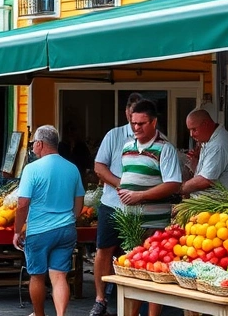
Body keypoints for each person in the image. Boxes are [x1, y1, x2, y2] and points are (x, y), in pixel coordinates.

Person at [118, 99, 183, 316]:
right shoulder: (127, 147)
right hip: (130, 223)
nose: (136, 128)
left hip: (154, 224)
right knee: (133, 274)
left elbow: (173, 184)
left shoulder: (165, 149)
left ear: (154, 122)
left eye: (142, 123)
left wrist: (140, 195)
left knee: (154, 274)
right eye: (133, 123)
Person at [13, 125, 85, 316]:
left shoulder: (31, 169)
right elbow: (79, 202)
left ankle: (39, 314)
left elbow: (22, 204)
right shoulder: (72, 168)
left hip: (39, 231)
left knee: (37, 276)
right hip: (66, 229)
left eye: (33, 144)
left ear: (39, 144)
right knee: (59, 276)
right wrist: (71, 218)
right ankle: (61, 314)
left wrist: (17, 230)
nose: (32, 147)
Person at [89, 92, 144, 316]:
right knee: (104, 250)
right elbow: (99, 167)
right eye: (132, 116)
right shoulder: (114, 135)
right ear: (126, 113)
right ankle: (100, 299)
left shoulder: (155, 138)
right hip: (112, 203)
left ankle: (135, 302)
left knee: (136, 253)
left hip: (140, 207)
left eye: (140, 118)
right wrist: (120, 184)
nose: (135, 122)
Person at [180, 108, 228, 196]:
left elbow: (205, 180)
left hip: (225, 206)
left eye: (194, 129)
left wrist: (178, 189)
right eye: (189, 130)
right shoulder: (211, 141)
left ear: (205, 124)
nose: (191, 134)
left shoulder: (219, 145)